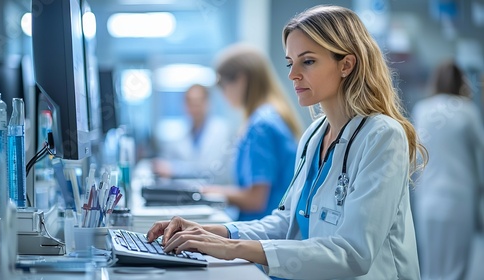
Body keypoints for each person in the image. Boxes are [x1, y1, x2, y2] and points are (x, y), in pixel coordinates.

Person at [146, 5, 427, 279]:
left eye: (308, 61)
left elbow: (353, 252)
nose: (293, 75)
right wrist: (213, 231)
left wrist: (232, 249)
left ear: (346, 64)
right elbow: (287, 221)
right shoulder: (315, 136)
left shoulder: (382, 136)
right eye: (291, 63)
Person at [202, 43, 303, 221]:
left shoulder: (260, 126)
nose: (223, 94)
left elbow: (256, 200)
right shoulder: (272, 115)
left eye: (222, 85)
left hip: (263, 232)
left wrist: (211, 192)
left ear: (241, 79)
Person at [411, 60, 484, 280]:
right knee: (456, 268)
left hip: (428, 199)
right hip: (459, 199)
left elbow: (416, 156)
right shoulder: (467, 111)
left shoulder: (421, 109)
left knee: (431, 267)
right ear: (462, 83)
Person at [153, 84, 234, 184]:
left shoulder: (221, 130)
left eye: (198, 102)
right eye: (190, 102)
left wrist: (175, 169)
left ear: (208, 103)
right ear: (184, 105)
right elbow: (166, 160)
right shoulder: (180, 132)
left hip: (215, 190)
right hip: (185, 191)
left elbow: (211, 168)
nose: (195, 107)